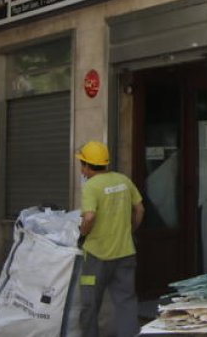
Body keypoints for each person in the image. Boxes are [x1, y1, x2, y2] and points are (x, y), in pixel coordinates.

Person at [77, 141, 145, 337]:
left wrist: (83, 234)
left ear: (88, 165)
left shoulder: (91, 186)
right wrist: (130, 230)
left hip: (96, 256)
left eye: (82, 164)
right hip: (125, 253)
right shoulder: (123, 180)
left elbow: (89, 217)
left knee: (90, 303)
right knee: (126, 301)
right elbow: (140, 209)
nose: (81, 169)